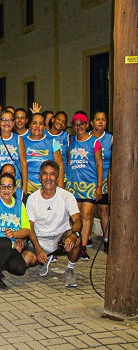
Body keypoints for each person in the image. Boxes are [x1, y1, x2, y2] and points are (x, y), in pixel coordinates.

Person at [24, 161, 82, 288]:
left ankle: (70, 269)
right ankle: (44, 260)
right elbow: (30, 227)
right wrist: (38, 249)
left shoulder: (67, 196)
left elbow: (78, 220)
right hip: (41, 238)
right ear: (40, 177)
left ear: (57, 177)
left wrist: (74, 235)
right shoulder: (32, 199)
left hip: (60, 237)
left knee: (77, 239)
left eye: (52, 174)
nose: (48, 178)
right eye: (45, 174)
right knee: (25, 261)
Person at [67, 111, 103, 261]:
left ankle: (84, 246)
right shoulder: (71, 140)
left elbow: (99, 164)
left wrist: (99, 186)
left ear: (87, 125)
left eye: (81, 124)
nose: (78, 127)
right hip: (73, 184)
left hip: (89, 183)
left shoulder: (94, 142)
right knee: (75, 215)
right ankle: (74, 242)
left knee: (87, 214)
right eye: (75, 125)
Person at [23, 113, 65, 194]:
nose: (37, 126)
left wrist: (60, 190)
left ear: (44, 127)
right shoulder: (22, 142)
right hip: (28, 188)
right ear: (30, 125)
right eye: (34, 123)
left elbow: (60, 165)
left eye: (41, 123)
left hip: (49, 187)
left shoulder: (52, 142)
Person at [90, 111, 112, 252]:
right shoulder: (87, 138)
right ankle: (87, 238)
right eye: (97, 119)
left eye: (103, 119)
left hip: (104, 179)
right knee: (88, 210)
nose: (100, 122)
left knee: (104, 209)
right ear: (92, 122)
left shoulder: (110, 139)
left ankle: (107, 239)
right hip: (88, 179)